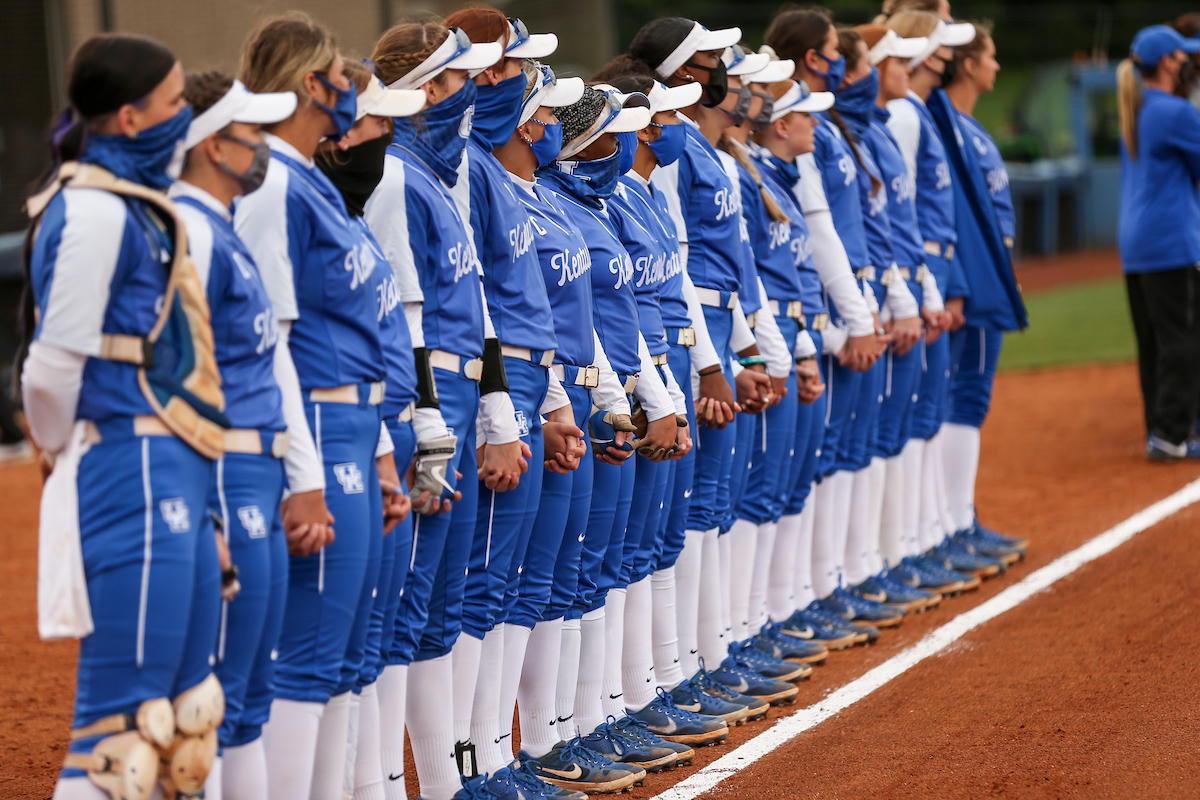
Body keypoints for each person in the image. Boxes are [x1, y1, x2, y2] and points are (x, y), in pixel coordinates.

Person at [22, 33, 226, 800]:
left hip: (170, 457)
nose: (186, 119)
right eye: (176, 104)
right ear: (133, 119)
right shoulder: (96, 209)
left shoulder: (134, 205)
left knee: (184, 722)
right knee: (122, 736)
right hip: (129, 461)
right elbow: (51, 365)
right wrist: (61, 445)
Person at [233, 13, 398, 799]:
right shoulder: (271, 179)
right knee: (310, 647)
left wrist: (382, 451)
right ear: (308, 83)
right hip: (317, 425)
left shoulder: (310, 180)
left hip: (355, 423)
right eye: (339, 75)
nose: (350, 91)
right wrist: (305, 470)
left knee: (346, 643)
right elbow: (275, 343)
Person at [364, 21, 524, 800]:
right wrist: (433, 430)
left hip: (462, 396)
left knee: (443, 601)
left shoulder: (439, 174)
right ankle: (393, 784)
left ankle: (452, 779)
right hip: (428, 403)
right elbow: (410, 323)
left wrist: (496, 410)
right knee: (407, 604)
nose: (473, 93)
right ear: (426, 90)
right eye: (459, 79)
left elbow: (476, 307)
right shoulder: (396, 176)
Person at [171, 72, 298, 800]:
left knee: (247, 693)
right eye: (251, 131)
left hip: (259, 466)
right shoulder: (189, 227)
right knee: (211, 697)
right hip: (225, 470)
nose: (263, 145)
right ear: (214, 144)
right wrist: (209, 504)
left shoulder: (219, 223)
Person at [312, 60, 428, 800]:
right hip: (322, 431)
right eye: (367, 119)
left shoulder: (349, 206)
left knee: (370, 637)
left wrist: (392, 440)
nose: (382, 134)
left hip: (373, 423)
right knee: (319, 652)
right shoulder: (296, 201)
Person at [763, 8, 891, 643]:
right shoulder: (774, 157)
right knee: (797, 469)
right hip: (804, 321)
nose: (847, 64)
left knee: (834, 453)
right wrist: (845, 325)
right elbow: (818, 241)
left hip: (826, 314)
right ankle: (798, 600)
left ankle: (830, 584)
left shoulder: (830, 128)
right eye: (841, 52)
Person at [936, 20, 1029, 559]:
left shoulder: (965, 126)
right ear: (968, 64)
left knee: (963, 398)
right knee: (963, 398)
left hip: (980, 276)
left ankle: (957, 521)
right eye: (990, 56)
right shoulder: (949, 126)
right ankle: (954, 524)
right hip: (967, 285)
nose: (996, 65)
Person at [1117, 24, 1200, 460]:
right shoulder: (1173, 111)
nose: (1189, 61)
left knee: (1155, 341)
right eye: (1183, 55)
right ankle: (1172, 432)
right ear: (1168, 62)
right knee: (1184, 337)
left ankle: (1162, 428)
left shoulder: (1137, 106)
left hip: (1137, 243)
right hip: (1171, 239)